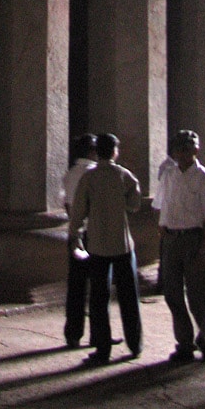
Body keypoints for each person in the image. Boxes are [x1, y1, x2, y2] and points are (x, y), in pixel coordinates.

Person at [68, 132, 142, 365]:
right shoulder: (123, 175)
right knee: (129, 296)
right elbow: (134, 204)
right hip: (122, 244)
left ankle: (102, 349)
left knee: (99, 300)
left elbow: (78, 210)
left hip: (98, 245)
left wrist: (74, 234)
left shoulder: (89, 178)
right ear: (115, 151)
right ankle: (135, 344)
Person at [154, 129, 205, 363]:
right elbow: (162, 204)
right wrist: (162, 229)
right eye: (180, 148)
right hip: (171, 239)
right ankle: (184, 342)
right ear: (175, 151)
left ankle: (204, 338)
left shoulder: (204, 178)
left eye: (189, 147)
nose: (184, 152)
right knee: (172, 292)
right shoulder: (169, 175)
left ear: (196, 149)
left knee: (199, 293)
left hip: (194, 238)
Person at [62, 133, 98, 348]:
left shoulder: (70, 174)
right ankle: (97, 335)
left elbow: (68, 205)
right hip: (94, 234)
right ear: (93, 151)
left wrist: (75, 226)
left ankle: (73, 334)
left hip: (75, 233)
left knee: (76, 286)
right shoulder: (94, 173)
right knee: (97, 286)